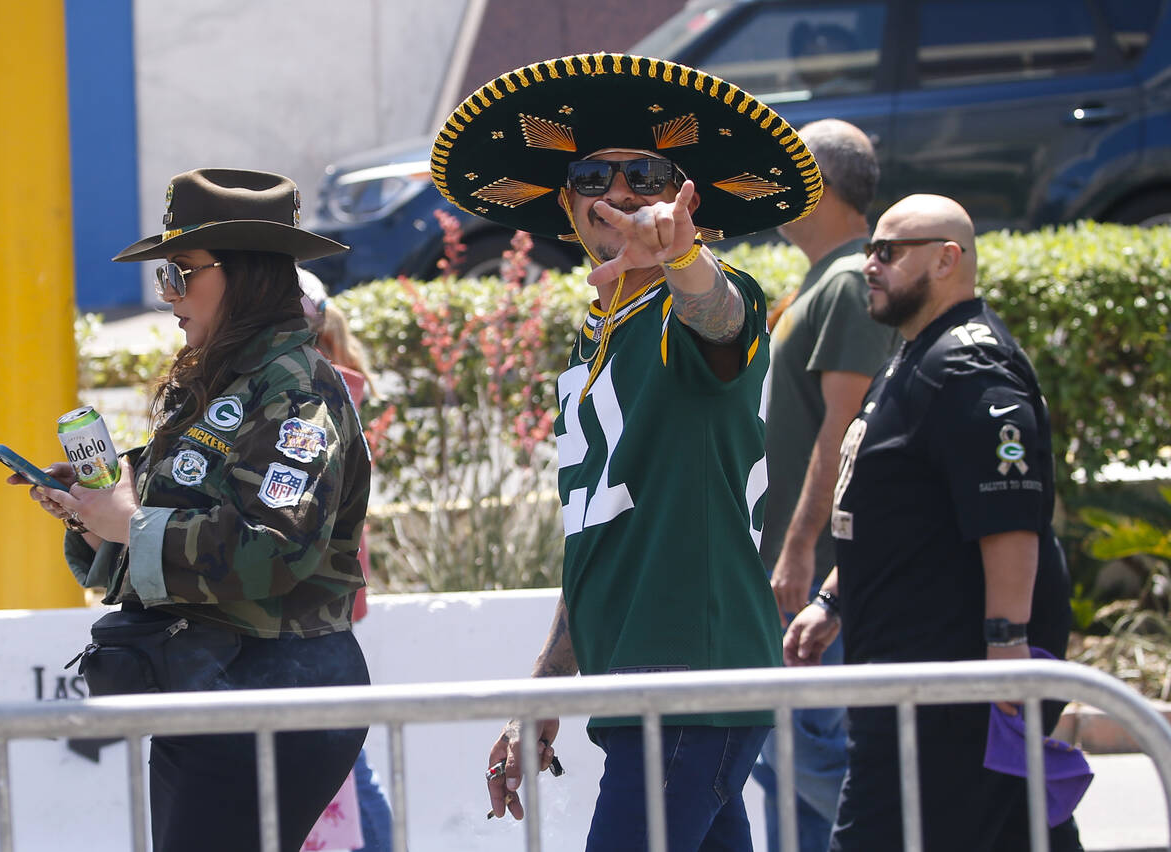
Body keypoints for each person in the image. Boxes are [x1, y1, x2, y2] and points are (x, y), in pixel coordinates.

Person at [429, 52, 822, 850]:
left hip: (691, 688)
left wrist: (681, 257)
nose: (617, 195)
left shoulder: (712, 293)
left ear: (686, 202)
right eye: (591, 177)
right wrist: (541, 690)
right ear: (565, 204)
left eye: (645, 177)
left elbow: (719, 318)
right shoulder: (594, 337)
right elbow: (602, 537)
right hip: (640, 695)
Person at [16, 168, 373, 852]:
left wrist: (128, 523)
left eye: (181, 273)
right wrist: (93, 506)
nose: (167, 295)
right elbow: (161, 515)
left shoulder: (296, 392)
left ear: (245, 275)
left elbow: (273, 551)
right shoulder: (218, 382)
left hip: (273, 690)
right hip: (213, 682)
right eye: (165, 277)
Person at [784, 194, 1082, 850]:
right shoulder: (920, 353)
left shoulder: (969, 365)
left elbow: (1008, 517)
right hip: (917, 673)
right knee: (1016, 831)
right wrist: (834, 596)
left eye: (889, 252)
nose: (870, 264)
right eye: (870, 249)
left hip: (952, 684)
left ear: (947, 259)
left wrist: (1006, 650)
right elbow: (903, 510)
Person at [751, 119, 897, 852]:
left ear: (824, 185)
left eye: (789, 171)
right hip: (787, 570)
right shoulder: (825, 280)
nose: (771, 184)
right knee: (783, 769)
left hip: (810, 575)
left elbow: (846, 431)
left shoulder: (847, 282)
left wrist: (803, 548)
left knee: (809, 753)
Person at [298, 270, 395, 852]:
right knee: (346, 765)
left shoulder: (320, 396)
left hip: (316, 610)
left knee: (346, 769)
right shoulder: (342, 390)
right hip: (335, 604)